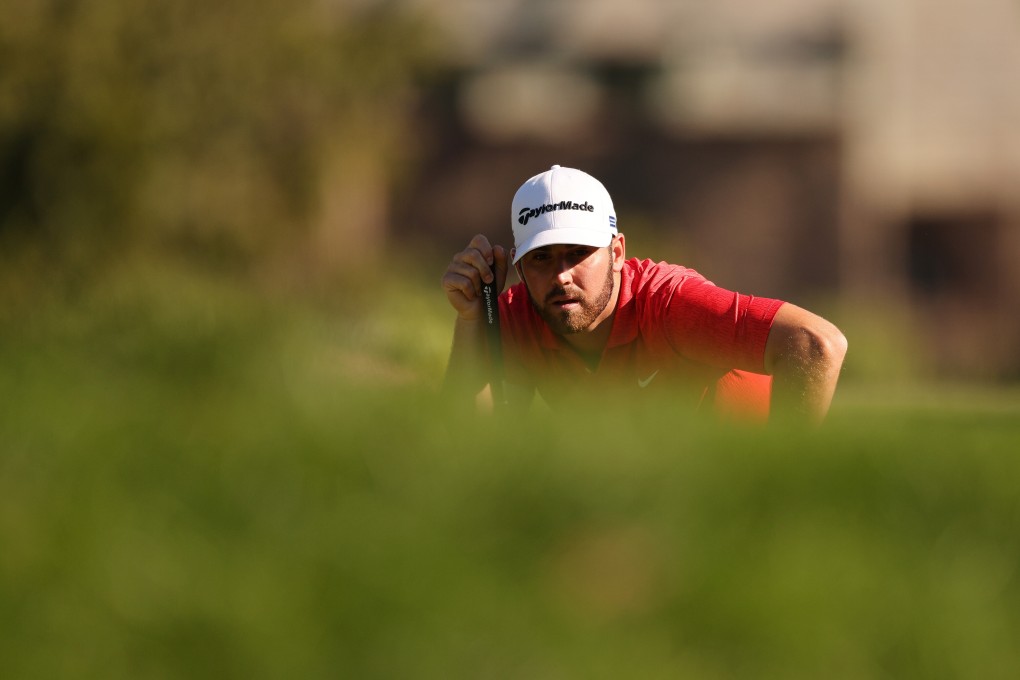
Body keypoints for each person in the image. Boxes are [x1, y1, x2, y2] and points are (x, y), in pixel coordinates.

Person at [441, 164, 847, 424]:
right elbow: (467, 447)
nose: (561, 276)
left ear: (617, 253)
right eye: (542, 258)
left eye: (579, 254)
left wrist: (785, 489)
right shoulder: (514, 315)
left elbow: (815, 343)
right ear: (518, 267)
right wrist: (471, 321)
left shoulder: (670, 303)